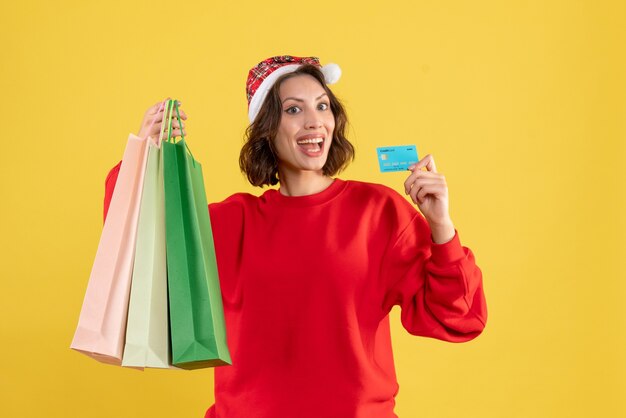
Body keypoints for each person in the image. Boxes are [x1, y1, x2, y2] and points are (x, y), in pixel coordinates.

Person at [103, 55, 488, 418]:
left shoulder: (379, 213)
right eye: (293, 110)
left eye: (323, 106)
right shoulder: (231, 223)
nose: (314, 121)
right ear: (267, 129)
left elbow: (458, 317)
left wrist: (441, 225)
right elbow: (138, 255)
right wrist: (143, 157)